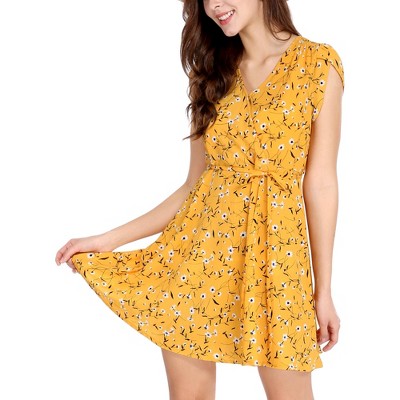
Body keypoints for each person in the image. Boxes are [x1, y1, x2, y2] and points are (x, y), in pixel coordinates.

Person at [55, 0, 344, 399]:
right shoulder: (210, 73)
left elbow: (321, 183)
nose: (214, 5)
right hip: (196, 260)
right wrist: (107, 240)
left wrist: (323, 291)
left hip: (277, 264)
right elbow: (195, 186)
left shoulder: (317, 64)